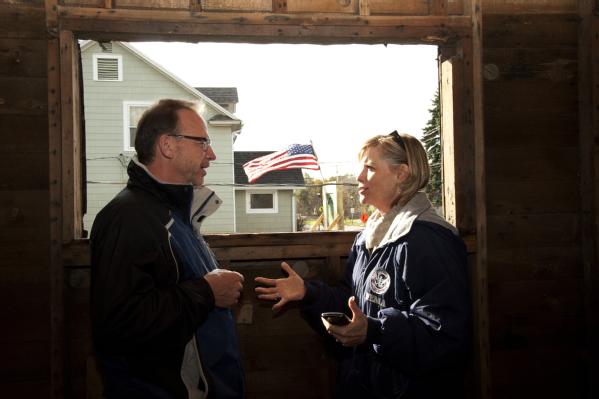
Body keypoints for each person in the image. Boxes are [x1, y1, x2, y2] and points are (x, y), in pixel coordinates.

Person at [255, 131, 470, 398]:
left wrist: (374, 330)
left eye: (369, 168)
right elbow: (352, 302)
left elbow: (443, 334)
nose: (358, 177)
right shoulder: (367, 237)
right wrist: (308, 293)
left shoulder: (429, 241)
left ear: (401, 174)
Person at [90, 99, 245, 399]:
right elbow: (120, 325)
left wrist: (211, 287)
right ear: (167, 146)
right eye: (203, 142)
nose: (211, 154)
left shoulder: (175, 214)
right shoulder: (128, 218)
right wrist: (207, 292)